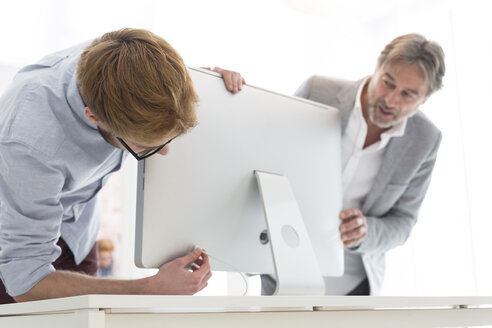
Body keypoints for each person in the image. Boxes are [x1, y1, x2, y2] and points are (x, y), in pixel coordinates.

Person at [0, 28, 244, 304]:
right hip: (13, 248)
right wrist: (151, 288)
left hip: (78, 231)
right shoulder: (29, 141)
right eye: (143, 147)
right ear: (94, 118)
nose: (164, 152)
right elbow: (26, 282)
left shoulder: (126, 58)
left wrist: (208, 86)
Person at [260, 33, 445, 295]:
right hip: (281, 266)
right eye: (387, 82)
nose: (391, 100)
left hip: (352, 285)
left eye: (407, 94)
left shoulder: (426, 139)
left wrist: (366, 231)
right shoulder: (317, 92)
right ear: (376, 68)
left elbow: (403, 221)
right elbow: (267, 157)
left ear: (424, 99)